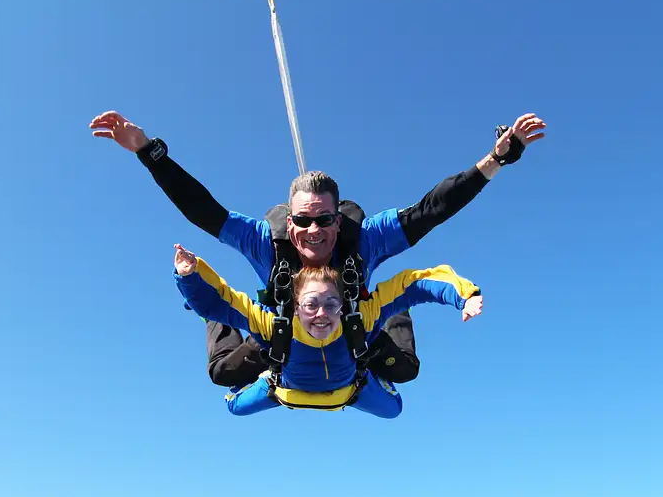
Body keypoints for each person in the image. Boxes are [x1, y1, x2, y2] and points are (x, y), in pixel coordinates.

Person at [89, 110, 544, 388]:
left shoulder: (363, 240)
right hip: (281, 331)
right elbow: (204, 210)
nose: (313, 231)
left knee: (404, 370)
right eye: (302, 221)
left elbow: (432, 209)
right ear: (289, 222)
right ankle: (213, 312)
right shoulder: (264, 242)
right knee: (223, 373)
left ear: (336, 218)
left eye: (324, 220)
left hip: (352, 322)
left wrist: (495, 160)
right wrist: (149, 151)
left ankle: (392, 312)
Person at [172, 243, 483, 418]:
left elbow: (414, 283)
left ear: (343, 304)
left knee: (396, 403)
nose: (321, 313)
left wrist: (463, 295)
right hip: (283, 391)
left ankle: (396, 313)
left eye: (331, 304)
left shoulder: (360, 315)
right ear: (295, 305)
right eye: (310, 305)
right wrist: (190, 275)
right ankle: (219, 328)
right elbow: (222, 300)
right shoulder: (272, 324)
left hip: (350, 389)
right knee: (231, 399)